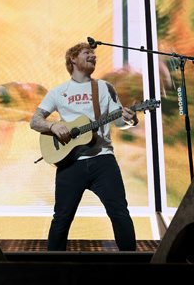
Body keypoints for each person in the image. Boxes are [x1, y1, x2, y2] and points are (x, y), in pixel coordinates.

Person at [30, 42, 138, 251]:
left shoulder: (105, 88)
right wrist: (53, 126)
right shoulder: (58, 92)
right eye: (87, 52)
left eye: (94, 54)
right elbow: (35, 121)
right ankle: (52, 271)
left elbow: (118, 121)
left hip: (103, 159)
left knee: (120, 213)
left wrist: (130, 120)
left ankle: (133, 268)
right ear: (72, 58)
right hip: (70, 163)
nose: (93, 56)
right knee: (61, 219)